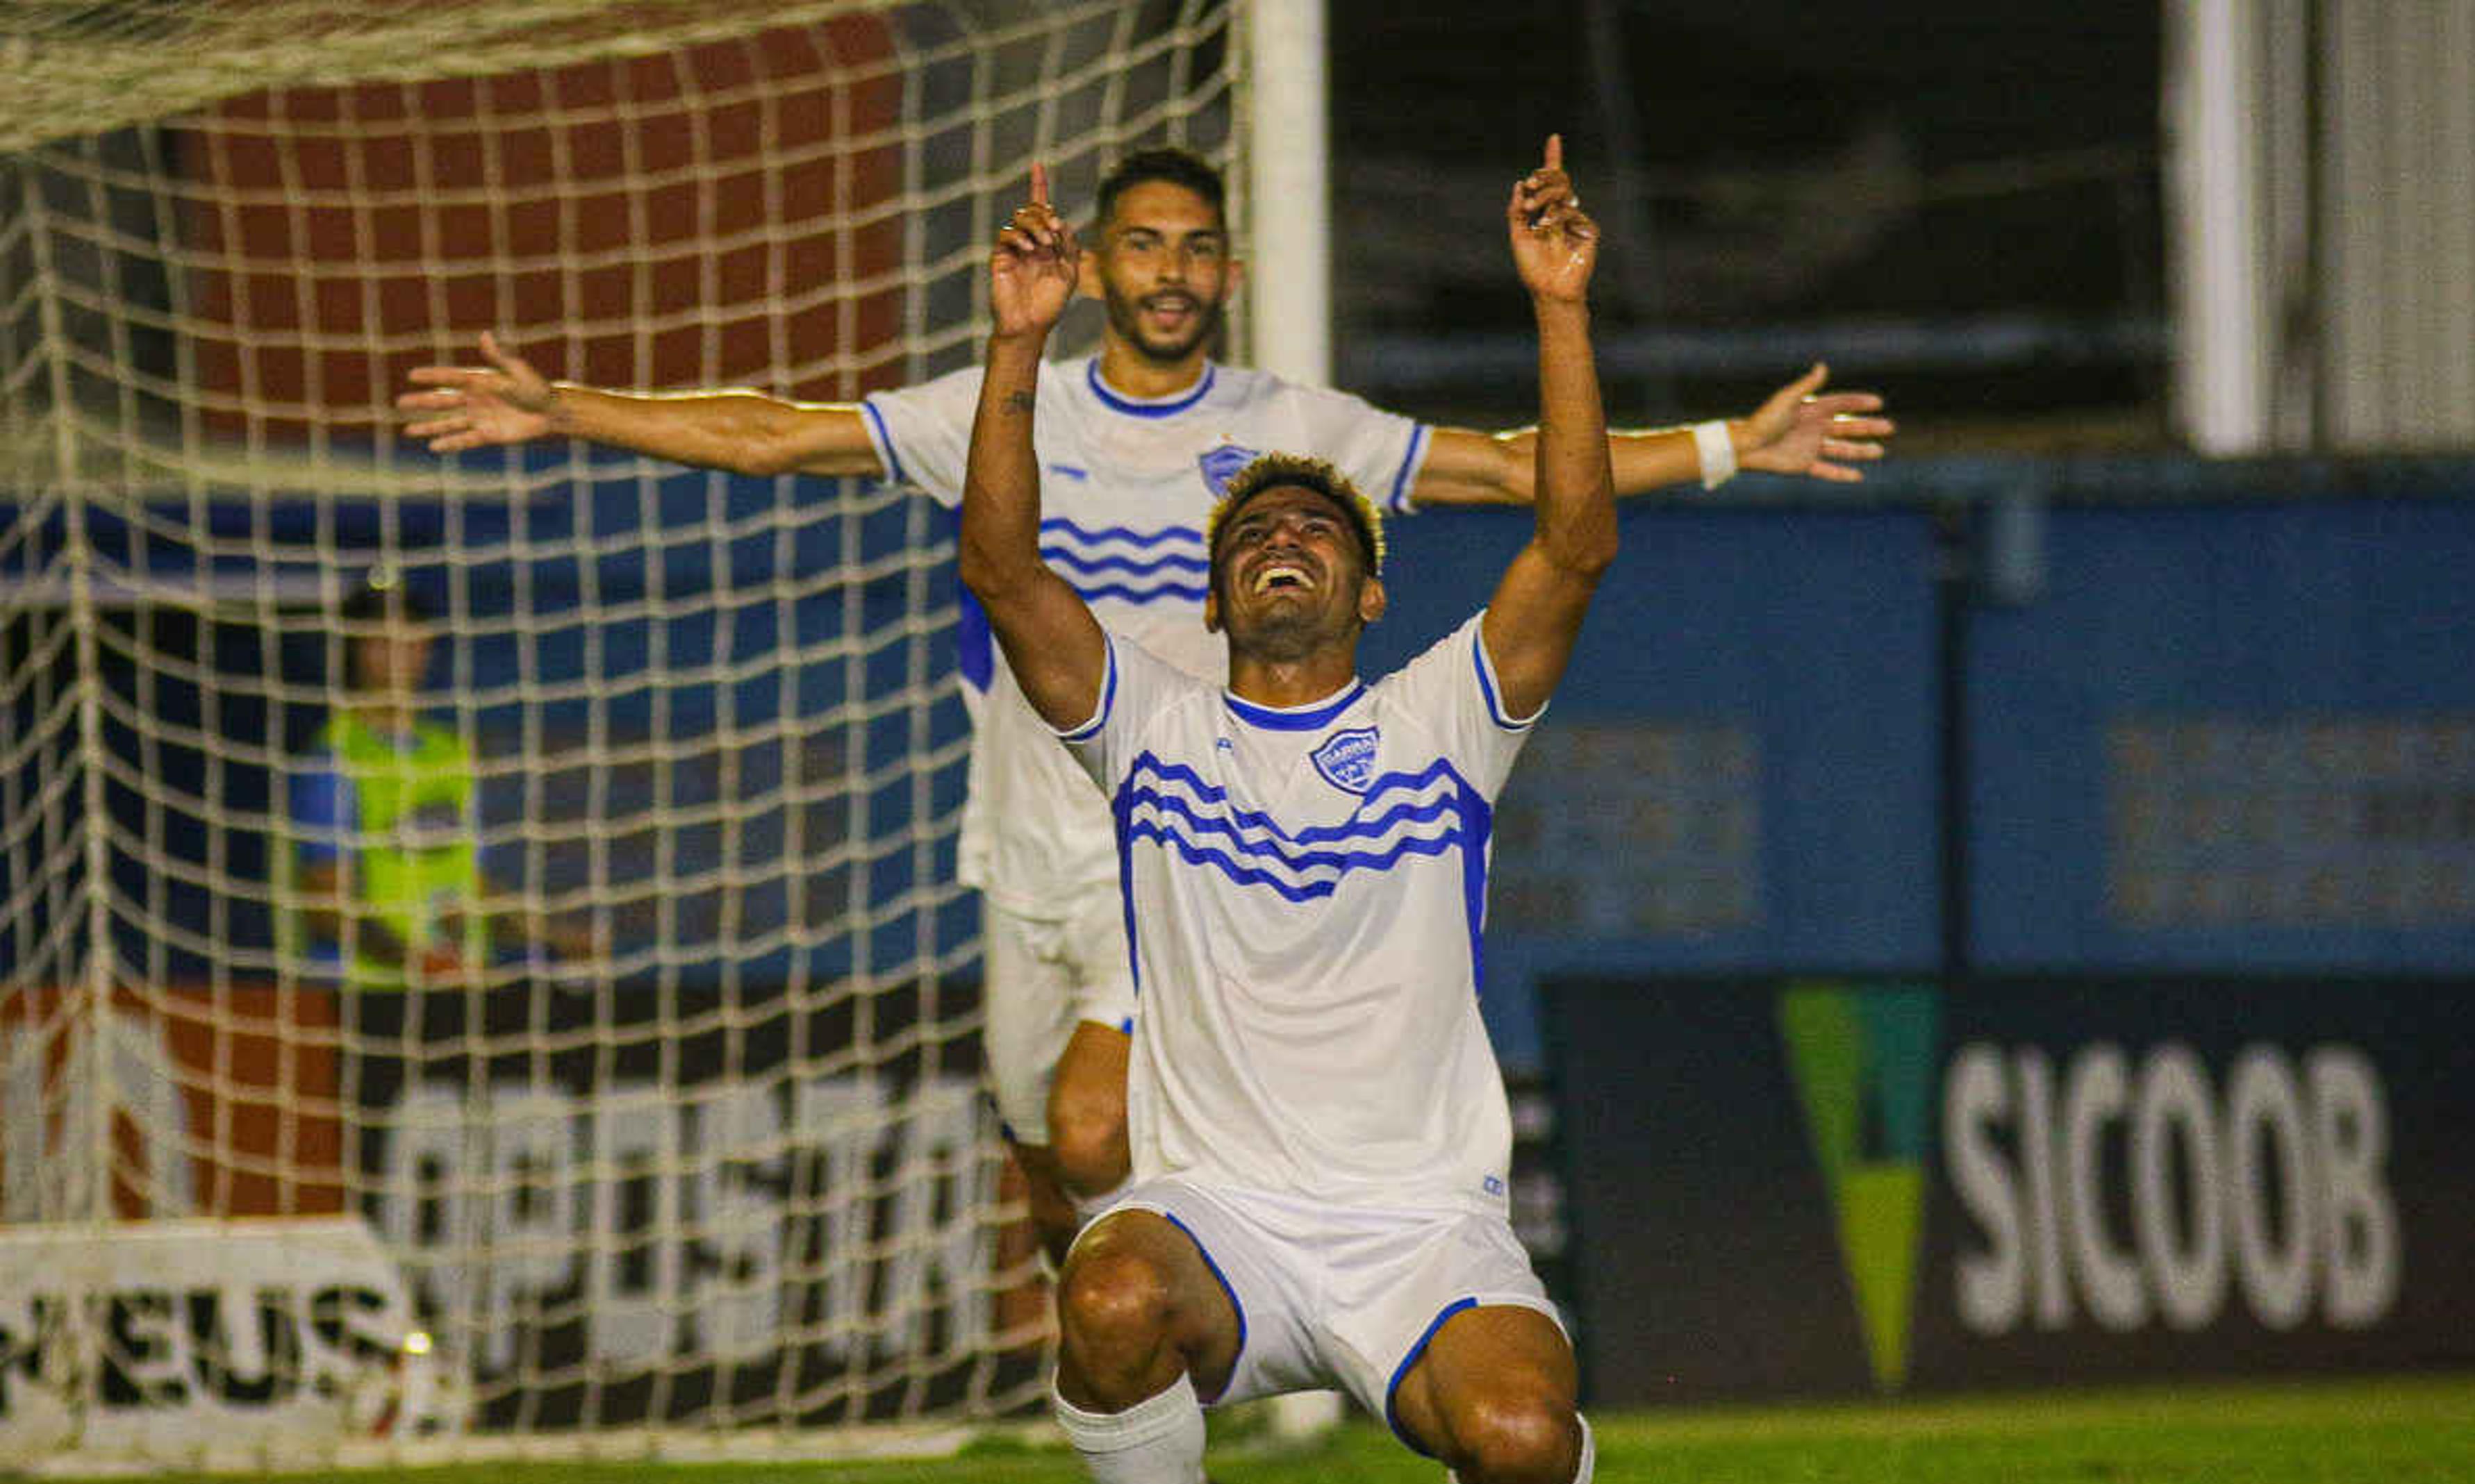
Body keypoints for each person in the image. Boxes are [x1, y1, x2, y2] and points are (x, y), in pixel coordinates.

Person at [397, 144, 1891, 1269]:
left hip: (1167, 844)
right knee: (1050, 1155)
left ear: (1229, 276)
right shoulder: (1002, 406)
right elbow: (774, 437)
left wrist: (1726, 447)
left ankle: (1194, 1342)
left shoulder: (1297, 431)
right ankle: (1130, 1373)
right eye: (1142, 245)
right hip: (1019, 848)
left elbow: (1518, 472)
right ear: (1100, 268)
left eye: (1196, 247)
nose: (1170, 269)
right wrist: (562, 408)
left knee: (1102, 1124)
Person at [954, 136, 1613, 1484]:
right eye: (1252, 534)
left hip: (1416, 1229)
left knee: (1524, 1442)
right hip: (1223, 1213)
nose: (1283, 542)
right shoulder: (1154, 731)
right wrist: (1012, 346)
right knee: (1104, 1296)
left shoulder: (1444, 721)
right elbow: (999, 562)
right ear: (1215, 593)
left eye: (1318, 529)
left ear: (1371, 594)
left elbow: (1574, 541)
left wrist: (1563, 311)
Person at [285, 570, 597, 985]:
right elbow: (326, 905)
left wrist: (555, 935)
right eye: (384, 640)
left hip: (461, 994)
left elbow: (471, 886)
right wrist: (418, 963)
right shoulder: (334, 757)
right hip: (368, 997)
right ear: (355, 649)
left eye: (414, 638)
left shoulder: (449, 752)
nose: (403, 653)